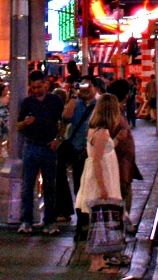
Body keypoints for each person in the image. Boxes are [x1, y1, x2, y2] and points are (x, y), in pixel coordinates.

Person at [78, 94, 127, 274]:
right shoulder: (102, 133)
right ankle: (96, 261)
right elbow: (98, 160)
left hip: (102, 176)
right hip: (102, 178)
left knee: (99, 220)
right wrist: (102, 187)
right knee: (99, 220)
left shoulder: (97, 131)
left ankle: (99, 259)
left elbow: (103, 153)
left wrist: (117, 140)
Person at [17, 70, 65, 234]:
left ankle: (49, 222)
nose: (36, 90)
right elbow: (17, 125)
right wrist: (25, 122)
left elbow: (63, 121)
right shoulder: (27, 103)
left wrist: (58, 140)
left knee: (50, 186)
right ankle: (26, 221)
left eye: (39, 86)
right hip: (31, 146)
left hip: (48, 147)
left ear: (46, 84)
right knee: (28, 186)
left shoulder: (55, 100)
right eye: (33, 88)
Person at [60, 80, 97, 231]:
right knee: (79, 187)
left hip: (95, 151)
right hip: (78, 151)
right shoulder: (76, 104)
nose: (86, 90)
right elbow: (65, 117)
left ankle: (92, 219)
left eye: (89, 87)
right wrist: (74, 98)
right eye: (83, 88)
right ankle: (82, 221)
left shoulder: (99, 104)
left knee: (94, 187)